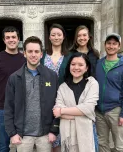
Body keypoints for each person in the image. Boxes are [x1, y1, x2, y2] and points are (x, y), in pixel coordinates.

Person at [4, 36, 59, 152]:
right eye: (30, 51)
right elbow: (8, 108)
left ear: (41, 54)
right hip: (22, 135)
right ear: (24, 53)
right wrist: (12, 133)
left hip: (45, 134)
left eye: (36, 51)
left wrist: (54, 130)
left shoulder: (52, 76)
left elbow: (57, 104)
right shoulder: (14, 78)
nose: (33, 55)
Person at [53, 52, 99, 152]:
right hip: (67, 135)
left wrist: (62, 111)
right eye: (73, 64)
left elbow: (88, 108)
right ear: (69, 66)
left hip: (87, 132)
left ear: (86, 68)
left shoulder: (92, 84)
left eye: (81, 65)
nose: (76, 67)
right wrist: (84, 115)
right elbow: (56, 110)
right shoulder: (63, 87)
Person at [41, 23, 71, 152]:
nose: (56, 37)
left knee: (61, 133)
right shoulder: (42, 55)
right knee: (47, 135)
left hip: (63, 99)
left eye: (59, 34)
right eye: (53, 34)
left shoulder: (69, 56)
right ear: (49, 37)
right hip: (44, 98)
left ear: (63, 37)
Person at [95, 33, 123, 152]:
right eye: (109, 43)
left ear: (119, 46)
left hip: (116, 111)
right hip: (99, 111)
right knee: (102, 143)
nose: (111, 46)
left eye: (114, 44)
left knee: (119, 145)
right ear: (105, 45)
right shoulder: (99, 64)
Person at [0, 26, 26, 152]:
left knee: (23, 144)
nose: (11, 40)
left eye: (13, 37)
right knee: (4, 144)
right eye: (8, 38)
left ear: (18, 39)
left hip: (22, 108)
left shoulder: (25, 59)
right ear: (3, 40)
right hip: (2, 107)